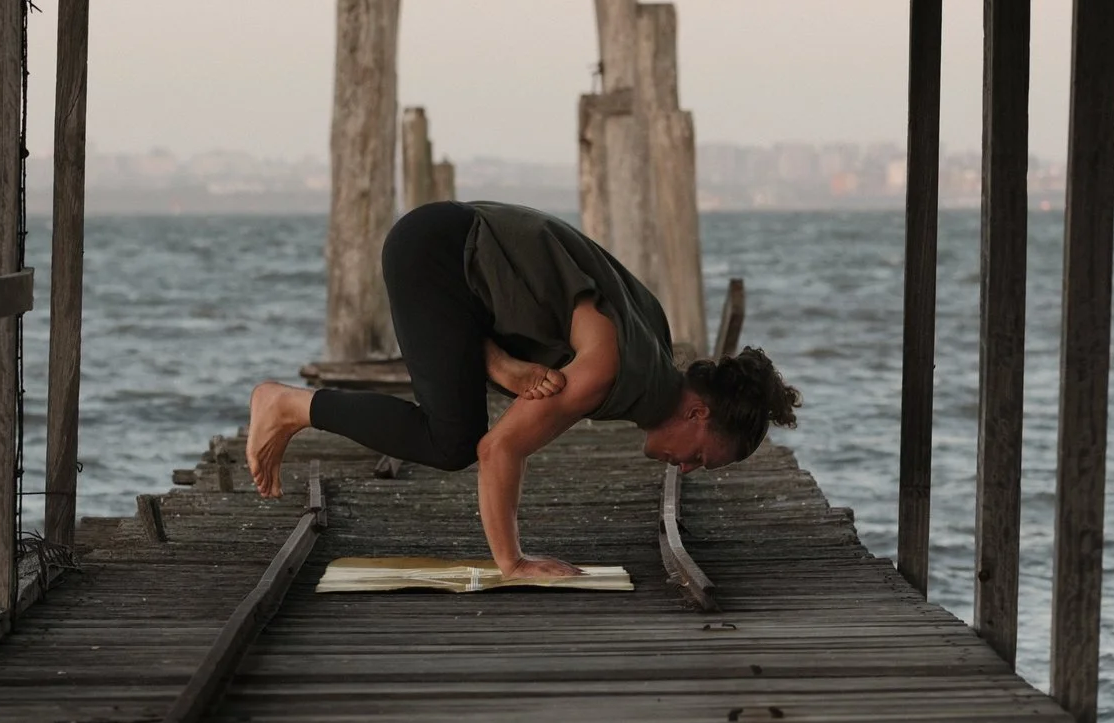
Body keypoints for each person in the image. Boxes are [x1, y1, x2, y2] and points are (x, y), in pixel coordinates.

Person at [247, 199, 800, 579]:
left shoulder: (650, 340)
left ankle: (498, 365)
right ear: (697, 413)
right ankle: (289, 404)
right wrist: (514, 563)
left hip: (453, 249)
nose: (686, 468)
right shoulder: (611, 370)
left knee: (482, 412)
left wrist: (504, 365)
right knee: (455, 443)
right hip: (438, 255)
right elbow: (500, 449)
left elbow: (536, 290)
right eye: (701, 458)